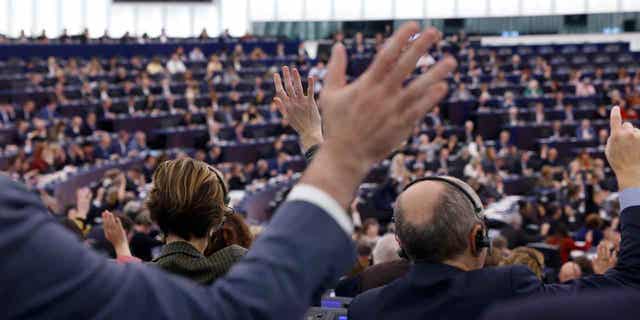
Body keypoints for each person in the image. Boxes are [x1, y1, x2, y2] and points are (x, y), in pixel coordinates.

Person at [0, 22, 455, 319]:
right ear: (220, 218)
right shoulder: (246, 269)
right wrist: (337, 153)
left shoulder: (129, 275)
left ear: (155, 217)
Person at [348, 108, 640, 320]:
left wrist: (312, 136)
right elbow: (632, 284)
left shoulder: (365, 308)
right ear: (478, 237)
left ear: (402, 246)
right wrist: (630, 172)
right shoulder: (508, 287)